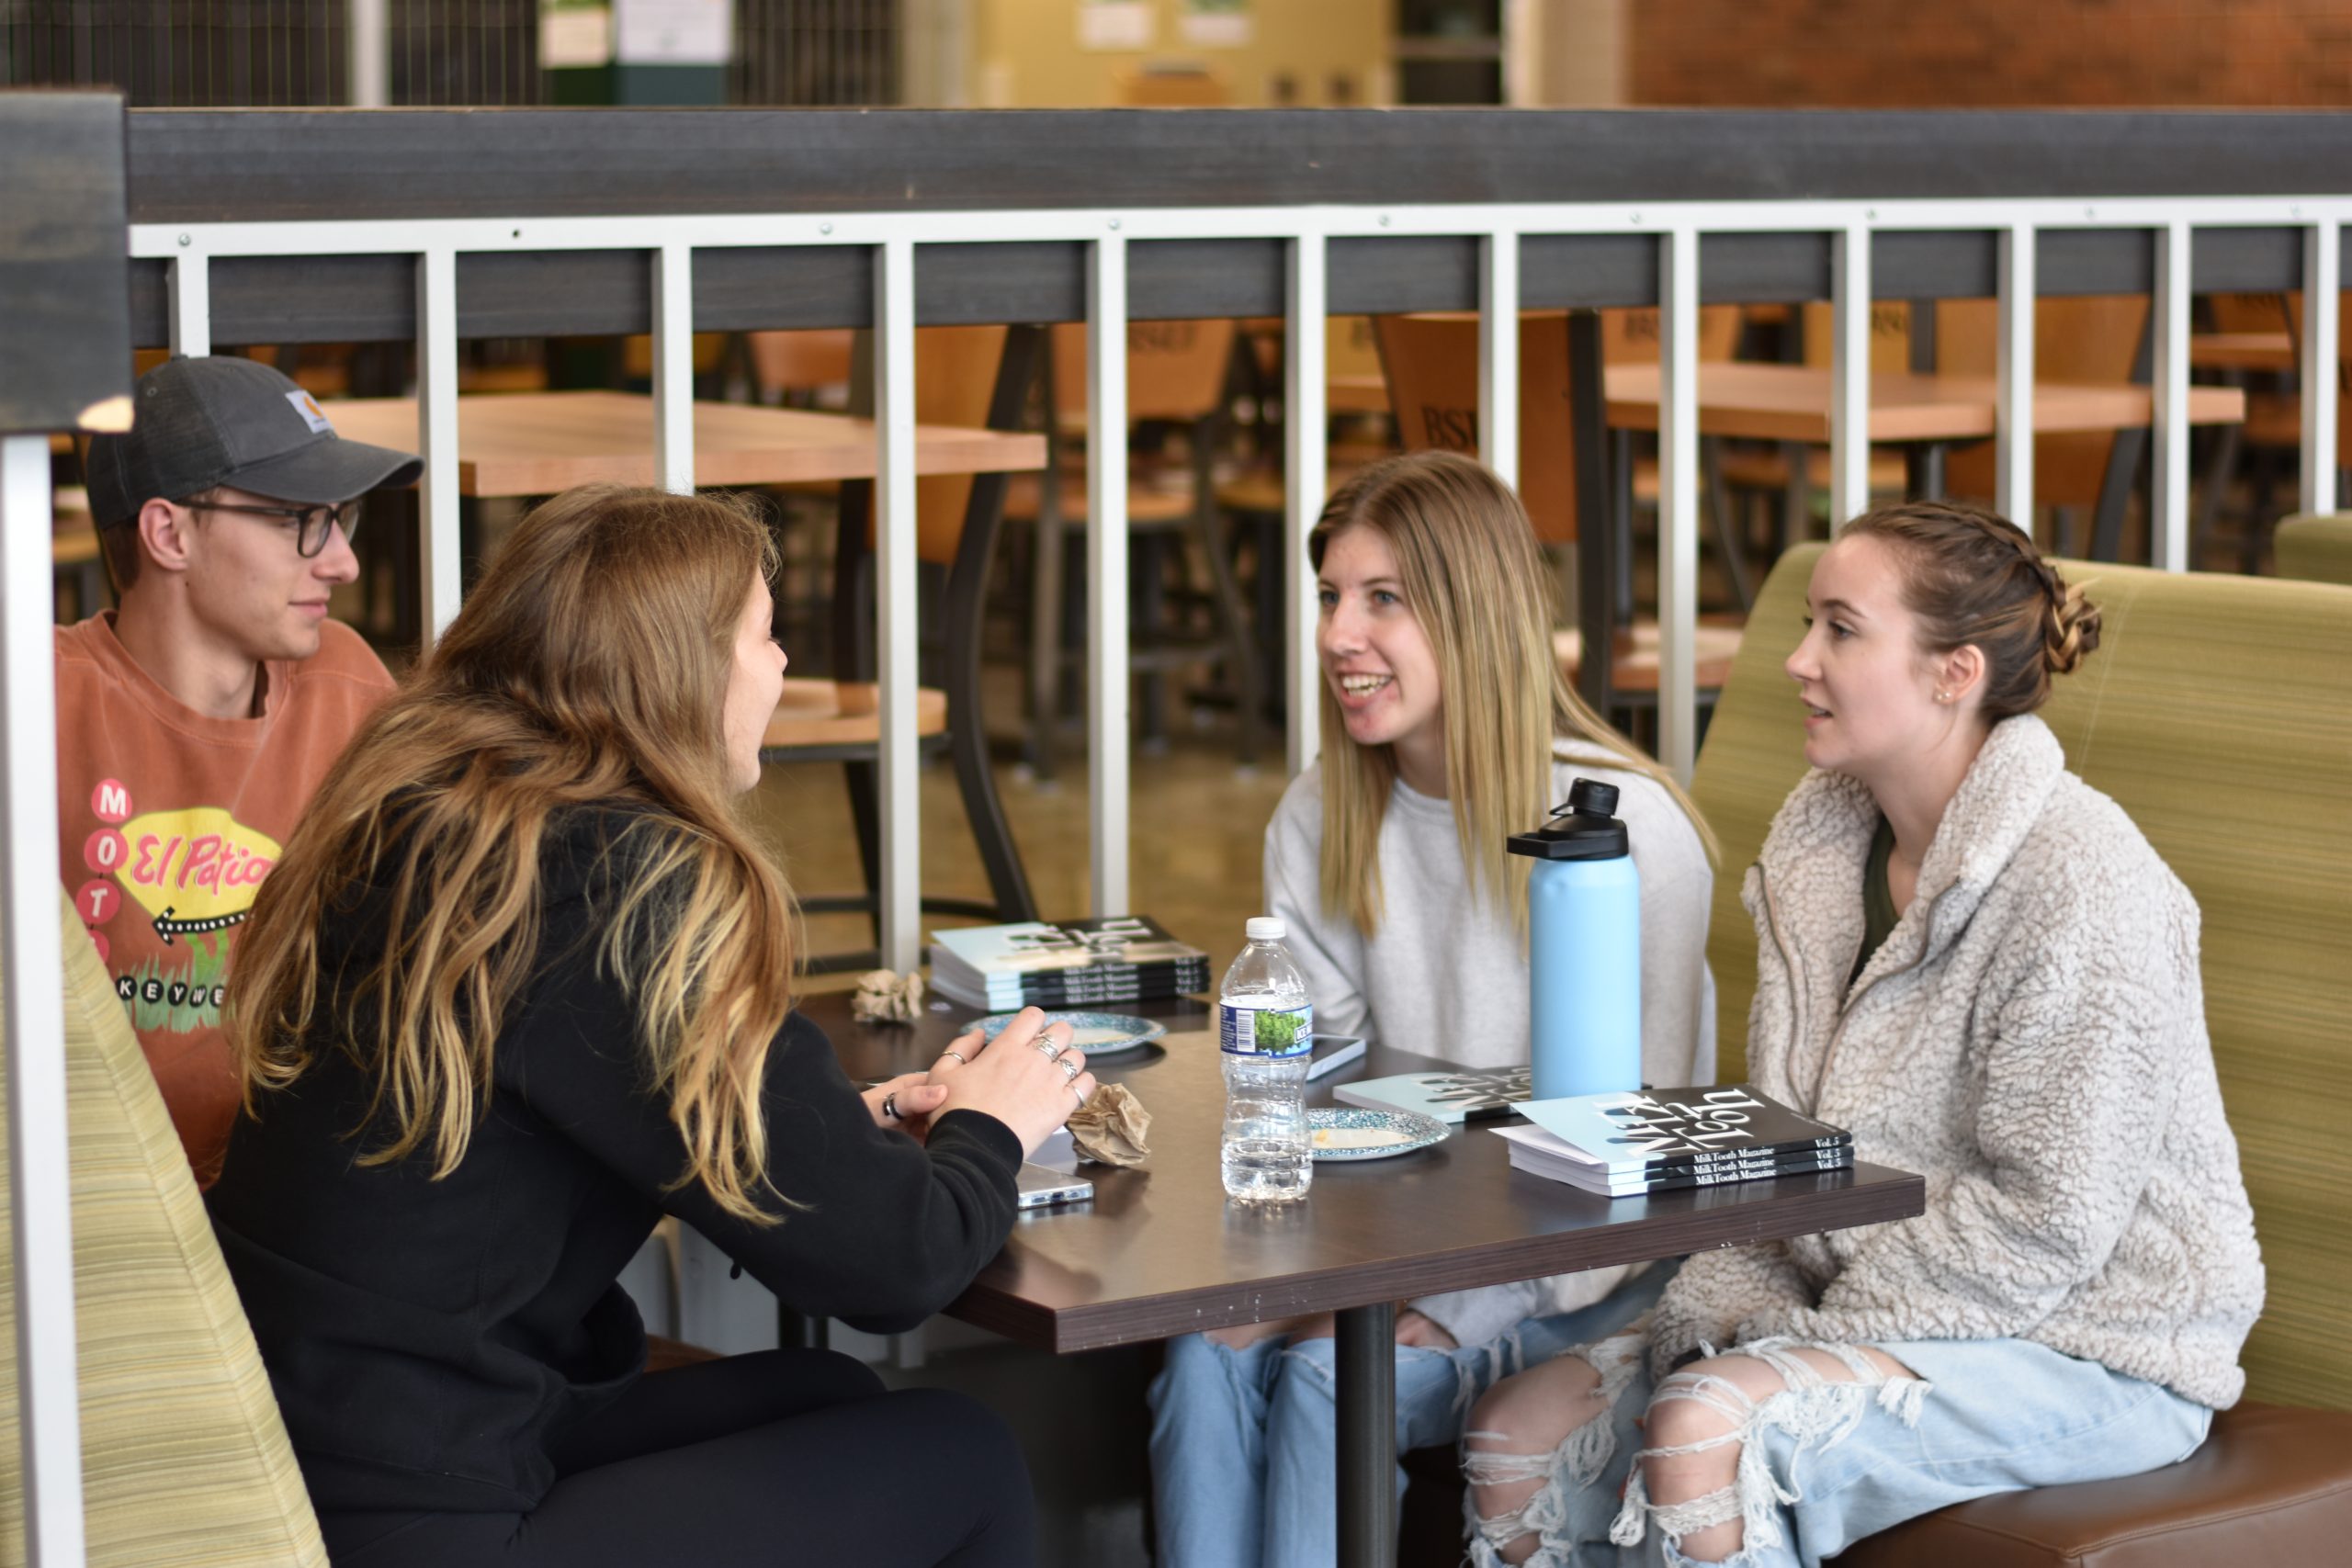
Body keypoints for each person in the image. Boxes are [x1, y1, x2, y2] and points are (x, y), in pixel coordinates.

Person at [208, 484, 1092, 1567]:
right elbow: (893, 1268)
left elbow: (554, 1101)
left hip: (308, 1443)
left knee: (822, 1394)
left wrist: (836, 1122)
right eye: (767, 639)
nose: (779, 673)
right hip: (425, 1511)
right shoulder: (621, 884)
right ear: (685, 672)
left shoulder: (440, 814)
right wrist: (993, 1126)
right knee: (964, 1454)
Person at [1458, 501, 2265, 1568]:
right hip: (1874, 1301)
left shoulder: (2088, 887)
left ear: (1953, 672)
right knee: (1513, 1430)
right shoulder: (1821, 851)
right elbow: (1788, 1143)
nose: (1797, 660)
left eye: (1840, 629)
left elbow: (2047, 1222)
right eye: (1808, 624)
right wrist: (1736, 1304)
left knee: (1708, 1423)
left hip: (2092, 1342)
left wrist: (1805, 1338)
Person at [1148, 450, 1720, 1567]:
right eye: (1328, 598)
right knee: (1200, 1353)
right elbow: (1308, 1092)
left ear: (1476, 618)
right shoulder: (1322, 813)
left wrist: (1464, 1308)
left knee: (1328, 1386)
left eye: (1384, 601)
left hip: (1575, 1288)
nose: (1336, 637)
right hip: (1386, 1261)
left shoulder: (1626, 839)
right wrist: (1295, 1282)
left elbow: (1634, 1170)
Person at [59, 353, 421, 1185]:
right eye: (300, 520)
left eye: (341, 519)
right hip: (95, 1212)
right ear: (169, 533)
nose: (342, 562)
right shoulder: (40, 704)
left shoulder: (347, 684)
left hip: (301, 1201)